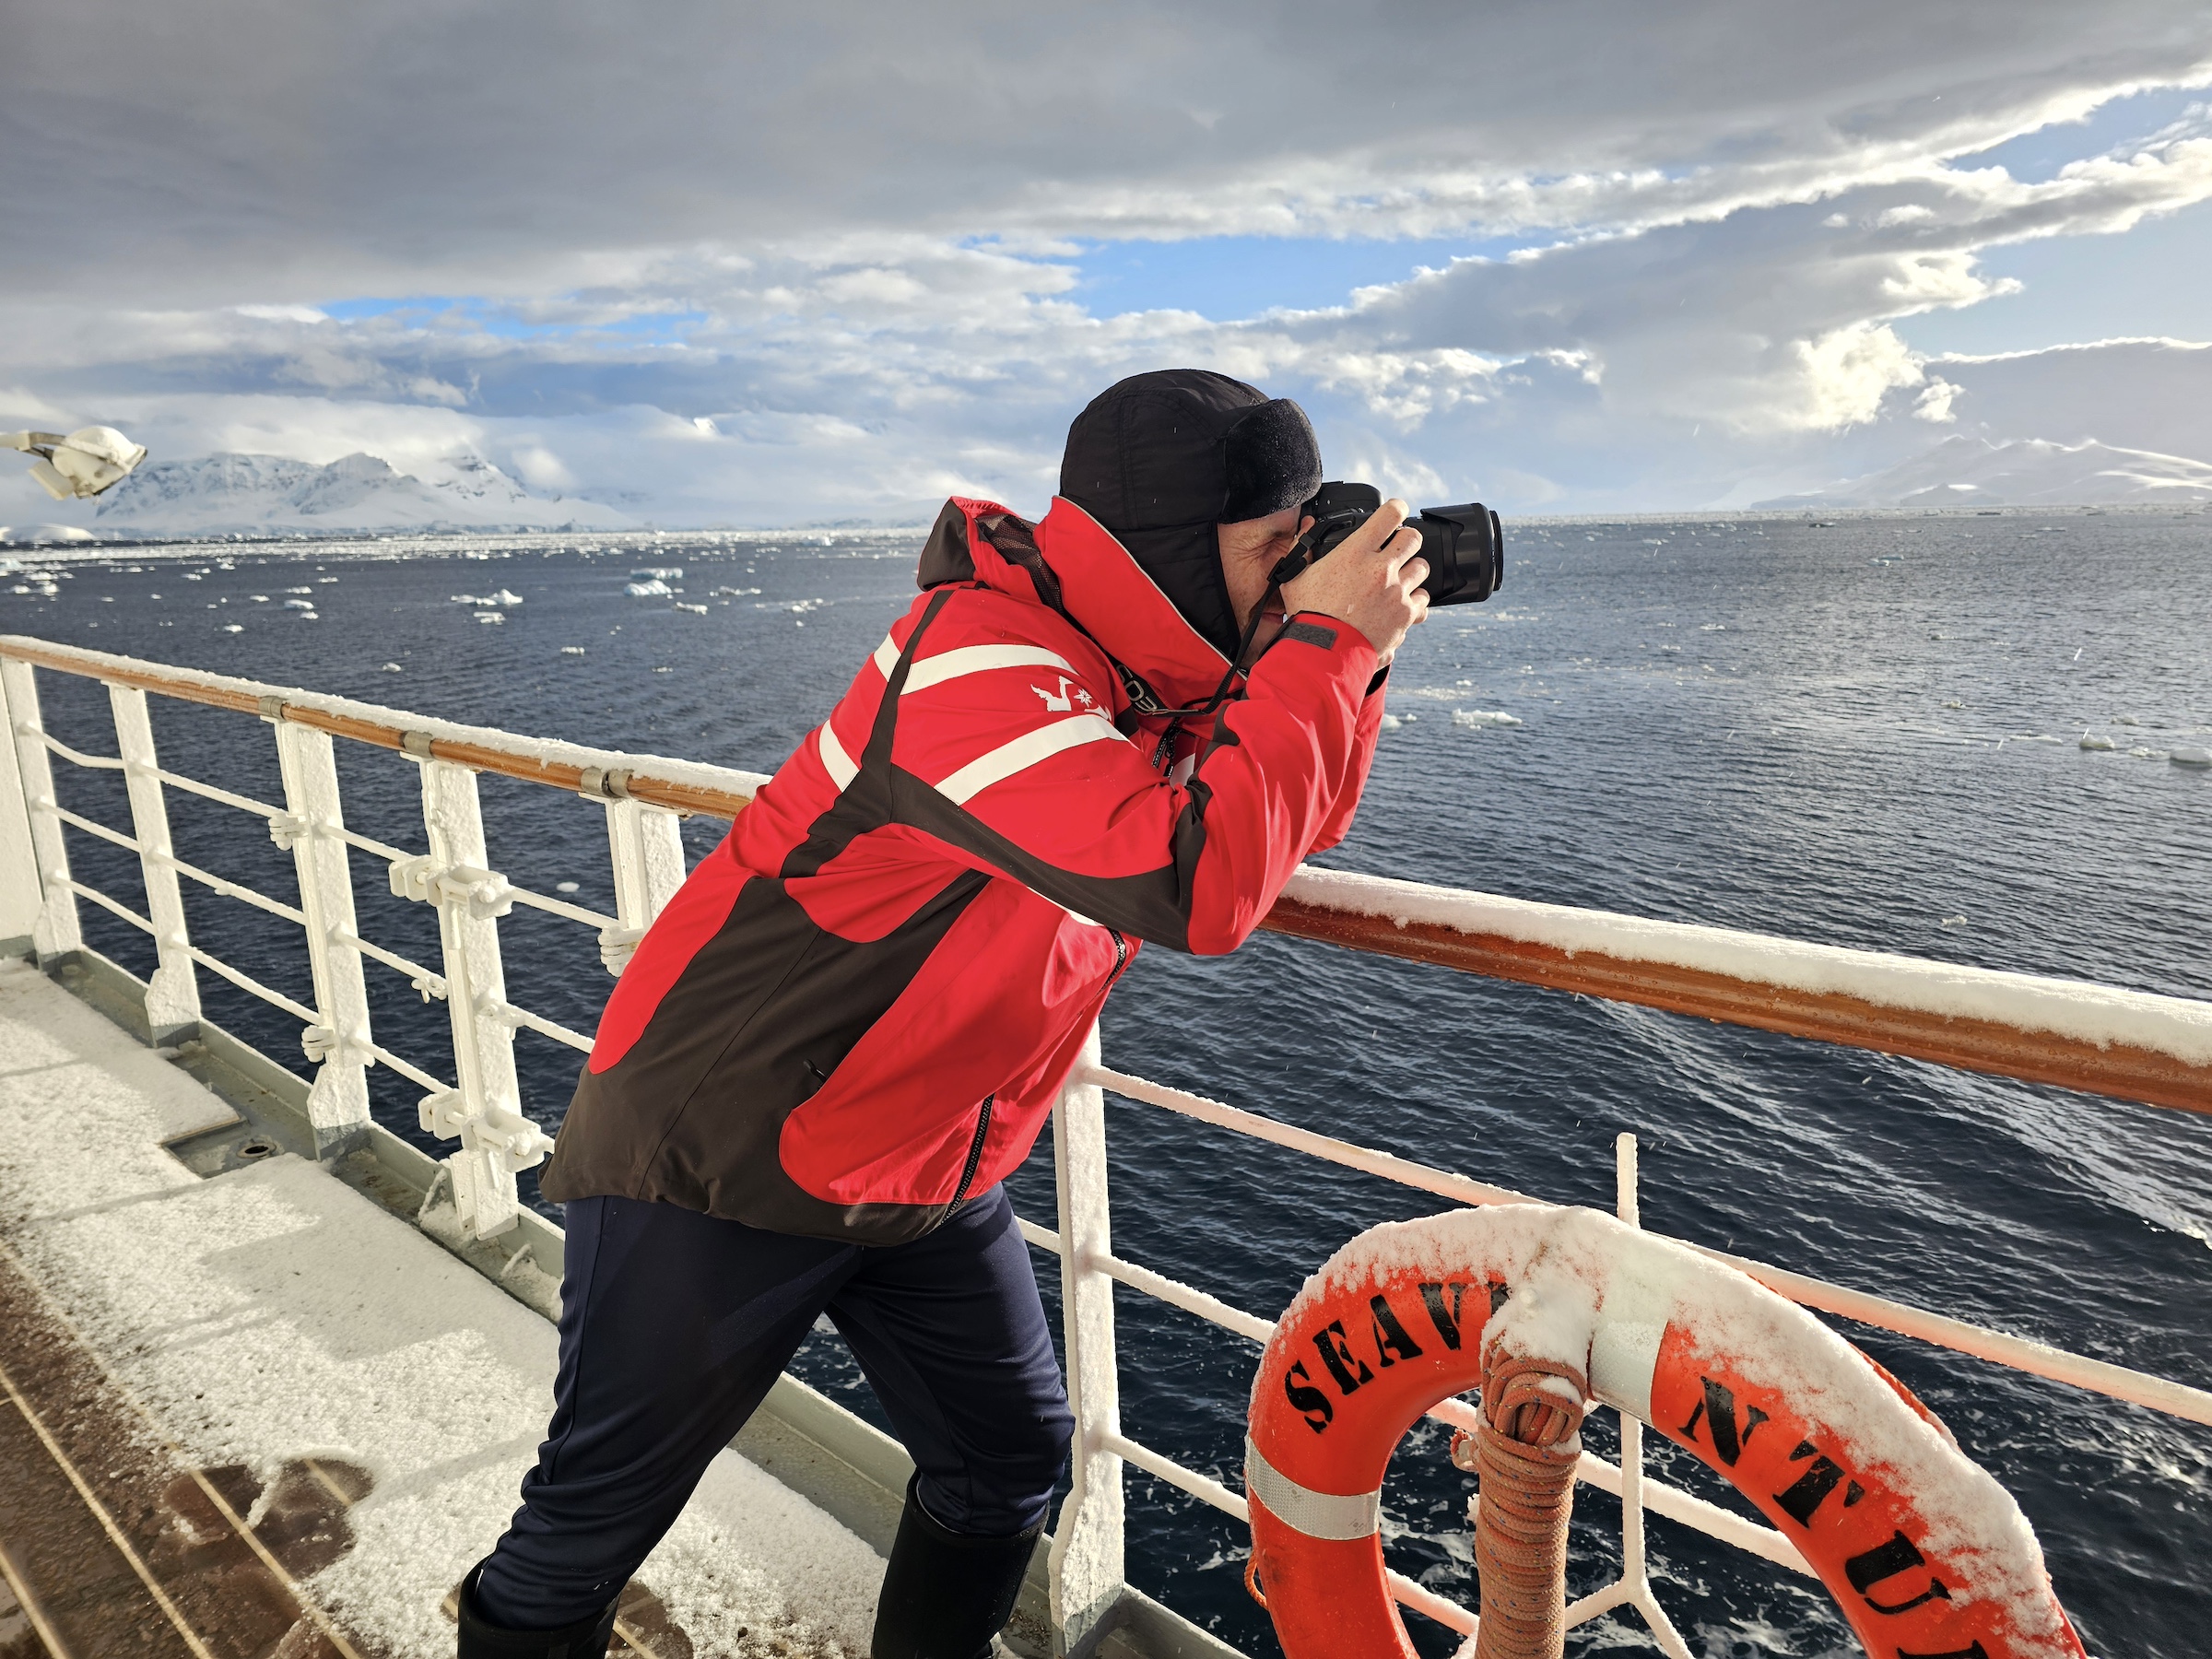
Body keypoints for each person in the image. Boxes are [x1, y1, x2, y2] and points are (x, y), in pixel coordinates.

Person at [456, 369, 1431, 1659]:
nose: (1293, 577)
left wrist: (1343, 662)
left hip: (919, 1152)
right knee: (587, 1528)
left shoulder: (1150, 689)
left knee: (1005, 1460)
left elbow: (1291, 822)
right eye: (1273, 549)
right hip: (725, 1149)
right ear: (1165, 554)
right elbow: (1194, 882)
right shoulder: (979, 659)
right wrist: (1328, 646)